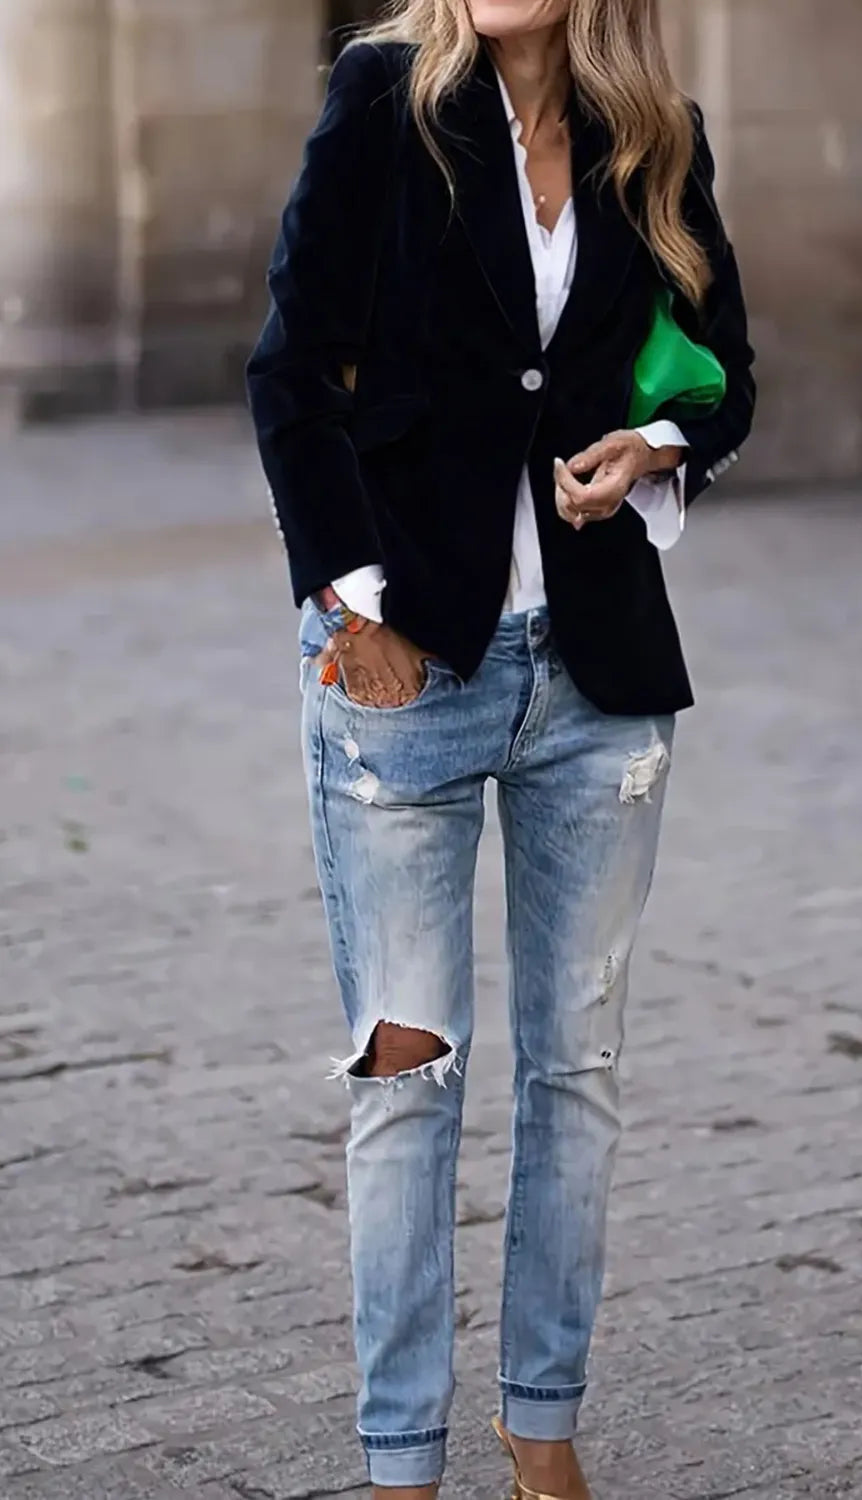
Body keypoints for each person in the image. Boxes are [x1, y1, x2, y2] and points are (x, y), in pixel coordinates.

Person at [247, 0, 754, 1494]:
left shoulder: (653, 134)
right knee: (407, 1082)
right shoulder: (384, 97)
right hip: (411, 661)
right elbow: (292, 371)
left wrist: (658, 446)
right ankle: (401, 1462)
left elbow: (725, 367)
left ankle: (542, 1435)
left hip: (599, 675)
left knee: (577, 1072)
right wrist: (354, 609)